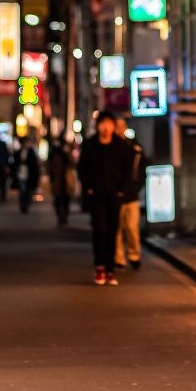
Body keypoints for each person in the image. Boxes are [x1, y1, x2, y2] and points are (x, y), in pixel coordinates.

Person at [77, 111, 134, 286]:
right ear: (98, 125)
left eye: (109, 123)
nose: (106, 127)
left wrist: (122, 191)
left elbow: (127, 170)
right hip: (96, 195)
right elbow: (82, 168)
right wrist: (89, 188)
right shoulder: (90, 145)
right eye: (103, 123)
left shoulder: (121, 146)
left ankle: (111, 270)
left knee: (112, 230)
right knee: (99, 230)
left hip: (114, 195)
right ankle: (100, 267)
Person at [115, 127, 147, 270]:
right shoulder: (112, 147)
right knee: (117, 229)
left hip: (132, 195)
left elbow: (142, 168)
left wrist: (137, 186)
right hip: (117, 196)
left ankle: (134, 256)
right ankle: (119, 258)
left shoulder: (135, 149)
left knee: (132, 228)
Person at [47, 137, 73, 228]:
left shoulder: (67, 153)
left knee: (66, 199)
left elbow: (72, 163)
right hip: (58, 179)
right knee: (58, 199)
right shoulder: (54, 153)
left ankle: (64, 216)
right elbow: (50, 166)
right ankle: (60, 216)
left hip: (66, 180)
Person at [12, 135, 40, 215]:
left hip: (29, 174)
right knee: (22, 190)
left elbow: (34, 165)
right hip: (20, 174)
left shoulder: (32, 152)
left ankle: (26, 204)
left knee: (28, 191)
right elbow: (15, 164)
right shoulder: (18, 152)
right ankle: (23, 205)